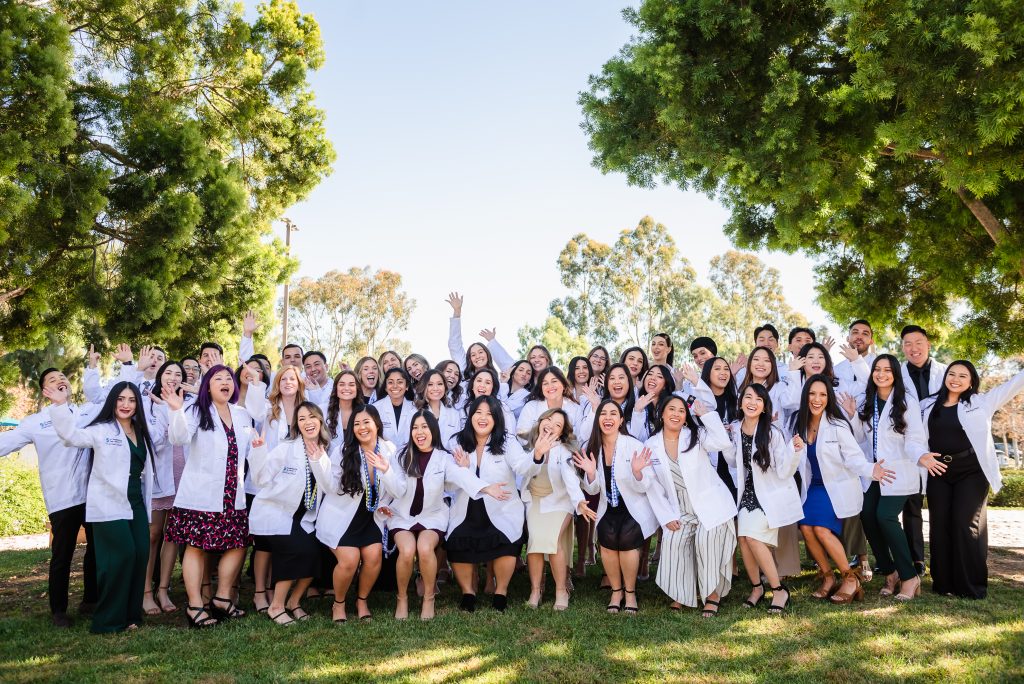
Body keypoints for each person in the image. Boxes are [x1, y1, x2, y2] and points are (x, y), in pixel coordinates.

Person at [45, 381, 156, 633]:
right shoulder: (101, 430)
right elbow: (70, 437)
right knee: (122, 555)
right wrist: (60, 406)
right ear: (112, 402)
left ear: (137, 404)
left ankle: (130, 616)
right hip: (108, 502)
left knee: (140, 554)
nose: (125, 405)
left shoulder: (142, 431)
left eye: (131, 400)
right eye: (120, 399)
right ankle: (108, 620)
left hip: (136, 501)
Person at [161, 364, 267, 628]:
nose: (225, 382)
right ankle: (195, 605)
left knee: (238, 544)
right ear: (207, 385)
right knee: (196, 547)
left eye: (228, 379)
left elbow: (257, 421)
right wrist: (176, 410)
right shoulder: (196, 410)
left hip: (233, 495)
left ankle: (221, 598)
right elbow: (179, 437)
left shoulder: (242, 415)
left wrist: (254, 384)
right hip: (201, 494)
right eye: (218, 378)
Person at [382, 410, 506, 620]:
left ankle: (429, 597)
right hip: (402, 515)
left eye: (424, 427)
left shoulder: (443, 457)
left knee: (424, 547)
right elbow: (398, 490)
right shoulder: (401, 456)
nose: (419, 432)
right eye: (415, 427)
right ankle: (402, 598)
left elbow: (460, 476)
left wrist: (485, 488)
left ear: (433, 431)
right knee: (406, 550)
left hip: (432, 515)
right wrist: (386, 471)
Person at [0, 368, 100, 627]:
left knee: (96, 550)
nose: (60, 381)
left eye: (63, 378)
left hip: (92, 494)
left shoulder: (85, 413)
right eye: (53, 380)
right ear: (45, 391)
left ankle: (90, 600)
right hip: (62, 497)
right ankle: (59, 610)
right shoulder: (36, 422)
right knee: (62, 554)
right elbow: (7, 442)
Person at [920, 361, 1024, 599]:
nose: (956, 379)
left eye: (962, 376)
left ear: (971, 381)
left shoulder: (981, 402)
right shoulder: (926, 405)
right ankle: (943, 584)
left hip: (972, 471)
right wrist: (920, 455)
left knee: (966, 525)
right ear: (945, 377)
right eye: (952, 374)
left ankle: (971, 586)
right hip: (938, 471)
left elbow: (1012, 385)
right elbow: (914, 436)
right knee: (940, 525)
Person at [791, 375, 894, 604]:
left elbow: (854, 457)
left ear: (829, 398)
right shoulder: (799, 424)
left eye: (823, 395)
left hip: (835, 487)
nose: (817, 399)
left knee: (821, 530)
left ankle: (849, 578)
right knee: (806, 528)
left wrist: (871, 470)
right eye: (812, 394)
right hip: (814, 487)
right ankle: (828, 578)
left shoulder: (837, 425)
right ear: (805, 396)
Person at [846, 355, 930, 601]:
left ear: (895, 374)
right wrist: (853, 415)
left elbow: (914, 438)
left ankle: (909, 576)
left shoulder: (906, 402)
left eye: (887, 370)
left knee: (885, 516)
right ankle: (890, 572)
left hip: (899, 471)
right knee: (868, 516)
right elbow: (862, 438)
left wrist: (922, 455)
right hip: (875, 471)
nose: (881, 374)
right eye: (877, 370)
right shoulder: (867, 401)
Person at [316, 405, 405, 623]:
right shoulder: (344, 450)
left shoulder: (389, 449)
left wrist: (386, 470)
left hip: (371, 517)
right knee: (349, 560)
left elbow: (398, 490)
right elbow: (330, 485)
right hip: (342, 517)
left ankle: (361, 600)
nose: (362, 427)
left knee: (374, 557)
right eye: (356, 424)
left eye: (366, 422)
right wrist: (320, 463)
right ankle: (338, 603)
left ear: (376, 424)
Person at [446, 396, 536, 612]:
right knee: (458, 542)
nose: (483, 418)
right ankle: (468, 592)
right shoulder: (457, 441)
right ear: (470, 416)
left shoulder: (506, 442)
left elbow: (522, 467)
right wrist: (466, 469)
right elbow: (450, 476)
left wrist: (537, 454)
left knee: (506, 543)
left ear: (496, 418)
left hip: (501, 506)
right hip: (466, 508)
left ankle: (501, 591)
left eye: (489, 414)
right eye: (478, 413)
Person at [648, 396, 736, 616]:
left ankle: (712, 594)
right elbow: (653, 486)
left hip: (710, 506)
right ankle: (682, 593)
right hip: (679, 508)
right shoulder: (651, 444)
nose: (676, 414)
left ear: (686, 417)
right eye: (671, 409)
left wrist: (706, 415)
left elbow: (723, 442)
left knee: (705, 542)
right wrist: (666, 516)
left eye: (681, 411)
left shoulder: (696, 436)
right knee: (674, 541)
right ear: (662, 413)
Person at [248, 402, 332, 626]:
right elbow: (261, 479)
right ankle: (276, 606)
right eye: (302, 419)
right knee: (295, 549)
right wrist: (258, 451)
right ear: (297, 424)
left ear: (320, 420)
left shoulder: (326, 449)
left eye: (311, 417)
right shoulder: (287, 448)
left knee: (315, 553)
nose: (307, 422)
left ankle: (293, 602)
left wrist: (319, 460)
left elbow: (329, 485)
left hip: (304, 516)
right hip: (276, 511)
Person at [588, 399, 671, 615]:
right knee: (606, 543)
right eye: (603, 414)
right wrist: (589, 474)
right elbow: (594, 489)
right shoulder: (593, 447)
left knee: (626, 543)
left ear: (621, 420)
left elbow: (646, 485)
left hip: (633, 507)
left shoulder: (633, 445)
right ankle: (617, 591)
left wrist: (637, 473)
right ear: (598, 419)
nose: (608, 418)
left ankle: (631, 592)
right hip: (609, 507)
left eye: (613, 414)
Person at [724, 384, 801, 615]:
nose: (752, 402)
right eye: (748, 397)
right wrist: (727, 439)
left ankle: (779, 590)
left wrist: (795, 452)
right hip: (748, 492)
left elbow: (784, 470)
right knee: (744, 539)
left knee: (754, 539)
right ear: (740, 403)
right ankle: (757, 587)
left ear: (765, 406)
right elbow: (732, 462)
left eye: (758, 399)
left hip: (769, 494)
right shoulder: (736, 428)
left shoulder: (772, 432)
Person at [519, 408, 599, 610]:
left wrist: (579, 501)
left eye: (558, 425)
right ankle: (535, 590)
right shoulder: (526, 445)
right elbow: (522, 470)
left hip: (560, 501)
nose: (551, 426)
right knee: (535, 544)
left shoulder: (564, 451)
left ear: (562, 432)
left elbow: (570, 478)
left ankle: (561, 591)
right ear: (541, 420)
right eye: (549, 420)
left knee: (553, 542)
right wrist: (537, 452)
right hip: (535, 500)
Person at [142, 360, 190, 615]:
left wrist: (177, 408)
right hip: (160, 477)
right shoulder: (148, 403)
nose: (173, 377)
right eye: (168, 373)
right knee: (153, 534)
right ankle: (145, 592)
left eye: (178, 374)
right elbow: (157, 440)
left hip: (183, 478)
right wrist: (166, 410)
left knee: (173, 535)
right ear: (160, 377)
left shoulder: (188, 401)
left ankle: (163, 588)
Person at [900, 324, 948, 575]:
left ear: (928, 344)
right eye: (907, 344)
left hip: (940, 446)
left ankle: (944, 560)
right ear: (902, 348)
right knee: (912, 506)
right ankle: (917, 559)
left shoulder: (945, 372)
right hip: (909, 447)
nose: (913, 348)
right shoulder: (897, 373)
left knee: (941, 506)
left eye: (918, 342)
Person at [445, 291, 516, 373]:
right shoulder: (465, 375)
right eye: (473, 355)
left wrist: (493, 342)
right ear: (470, 359)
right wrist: (457, 312)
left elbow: (512, 368)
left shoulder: (499, 381)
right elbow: (454, 345)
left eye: (480, 352)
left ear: (487, 355)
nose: (477, 356)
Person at [372, 367, 416, 450]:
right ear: (385, 387)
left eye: (400, 382)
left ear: (406, 386)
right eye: (390, 382)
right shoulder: (375, 408)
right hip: (383, 458)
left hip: (410, 457)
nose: (395, 386)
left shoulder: (415, 409)